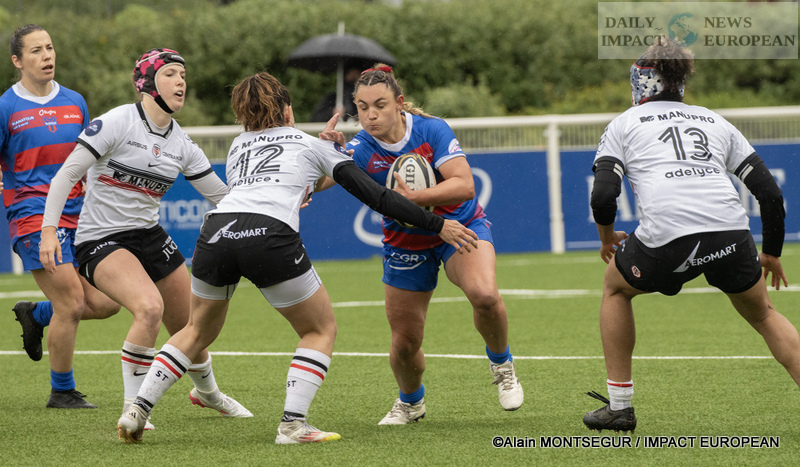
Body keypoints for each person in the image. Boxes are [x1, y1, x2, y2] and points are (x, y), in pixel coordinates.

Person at [115, 71, 478, 444]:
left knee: (195, 330)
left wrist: (322, 155)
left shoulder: (239, 145)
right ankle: (292, 425)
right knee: (318, 330)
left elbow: (281, 175)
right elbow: (378, 197)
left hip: (217, 232)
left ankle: (137, 408)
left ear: (244, 114)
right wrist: (437, 224)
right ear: (288, 110)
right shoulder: (311, 145)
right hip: (268, 234)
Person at [583, 38, 800, 434]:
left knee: (616, 287)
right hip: (733, 236)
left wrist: (606, 238)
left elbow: (603, 194)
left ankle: (619, 408)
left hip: (668, 240)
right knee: (765, 314)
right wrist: (770, 253)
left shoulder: (624, 124)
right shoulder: (714, 120)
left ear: (640, 82)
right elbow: (770, 194)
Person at [40, 48, 252, 430]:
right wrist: (49, 230)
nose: (181, 81)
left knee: (191, 324)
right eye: (171, 73)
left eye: (184, 75)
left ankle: (208, 394)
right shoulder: (117, 122)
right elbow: (65, 177)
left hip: (149, 235)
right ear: (147, 83)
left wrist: (275, 195)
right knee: (149, 308)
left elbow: (223, 197)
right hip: (99, 238)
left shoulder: (182, 143)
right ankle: (133, 407)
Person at [319, 64, 524, 424]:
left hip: (460, 226)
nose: (370, 114)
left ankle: (502, 365)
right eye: (362, 107)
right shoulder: (361, 148)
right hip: (405, 243)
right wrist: (323, 155)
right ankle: (411, 403)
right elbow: (321, 183)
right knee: (404, 344)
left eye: (379, 104)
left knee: (486, 295)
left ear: (399, 103)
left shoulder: (431, 129)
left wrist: (411, 199)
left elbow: (464, 185)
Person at [1, 24, 120, 409]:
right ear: (18, 61)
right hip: (32, 214)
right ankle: (62, 391)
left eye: (49, 48)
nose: (46, 56)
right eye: (35, 50)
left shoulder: (75, 102)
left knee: (106, 304)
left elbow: (89, 161)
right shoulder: (6, 108)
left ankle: (37, 314)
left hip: (77, 216)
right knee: (72, 301)